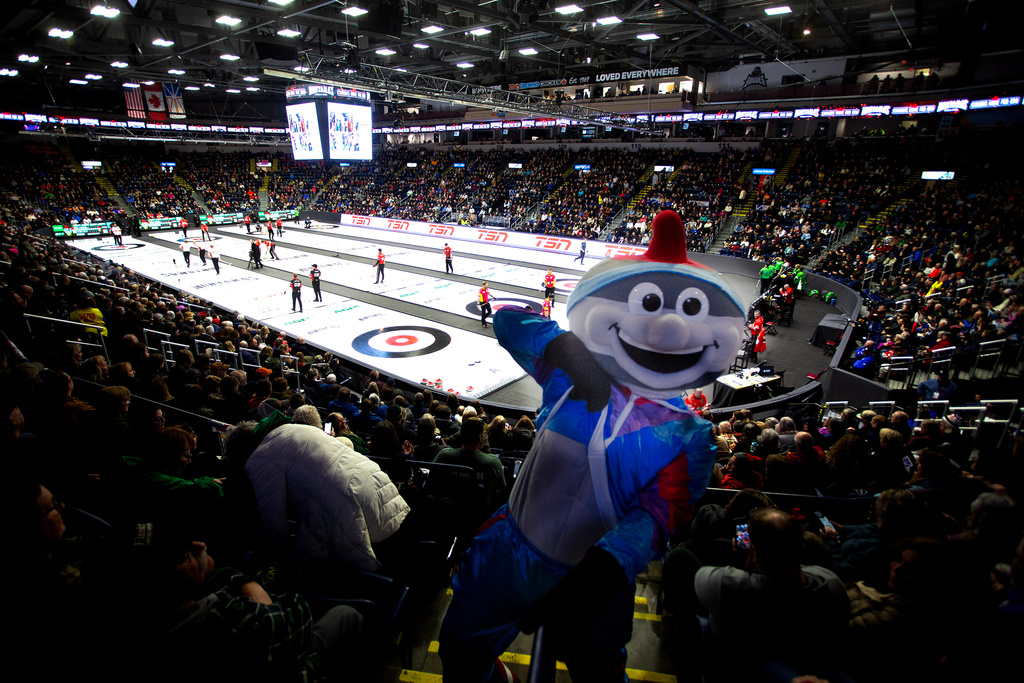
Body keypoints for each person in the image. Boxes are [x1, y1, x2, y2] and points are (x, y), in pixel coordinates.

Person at [244, 421, 411, 573]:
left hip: (346, 501)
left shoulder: (260, 458)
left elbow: (274, 523)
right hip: (373, 477)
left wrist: (282, 554)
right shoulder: (294, 428)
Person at [434, 417, 506, 520]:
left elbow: (431, 483)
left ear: (461, 436)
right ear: (480, 438)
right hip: (478, 520)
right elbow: (501, 492)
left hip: (443, 518)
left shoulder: (443, 456)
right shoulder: (492, 463)